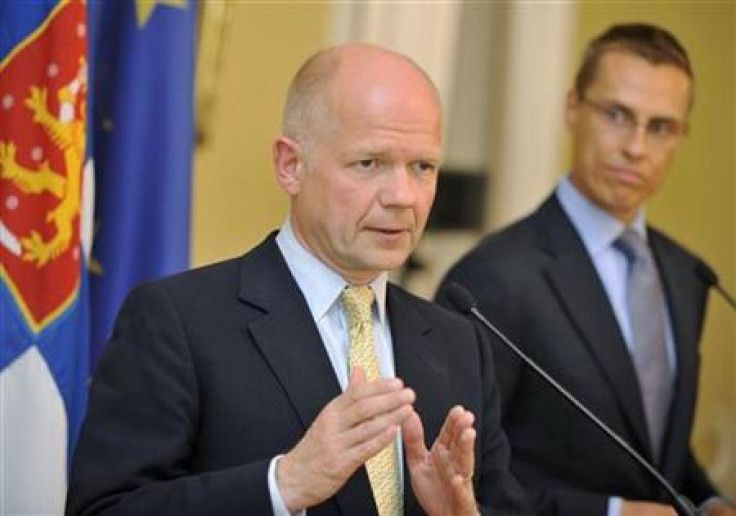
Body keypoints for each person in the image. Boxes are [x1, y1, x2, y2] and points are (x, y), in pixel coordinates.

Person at [66, 44, 531, 515]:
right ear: (291, 165)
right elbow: (104, 510)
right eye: (369, 163)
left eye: (422, 167)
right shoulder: (179, 322)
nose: (402, 197)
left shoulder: (459, 343)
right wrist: (283, 485)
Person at [437, 23, 736, 516]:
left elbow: (658, 446)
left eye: (660, 127)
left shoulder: (688, 276)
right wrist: (612, 512)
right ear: (572, 107)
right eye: (617, 115)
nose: (636, 147)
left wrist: (707, 500)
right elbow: (458, 479)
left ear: (681, 136)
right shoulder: (489, 278)